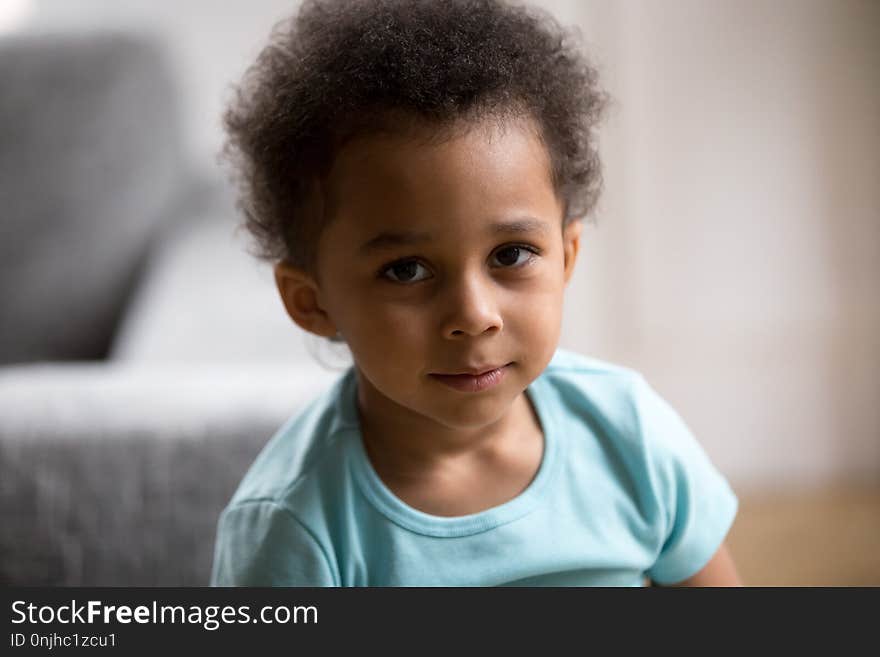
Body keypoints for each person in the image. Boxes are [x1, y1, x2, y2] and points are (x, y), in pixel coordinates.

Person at [210, 0, 741, 587]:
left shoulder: (628, 433)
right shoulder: (295, 528)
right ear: (311, 302)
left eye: (510, 255)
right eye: (406, 270)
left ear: (566, 256)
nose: (473, 315)